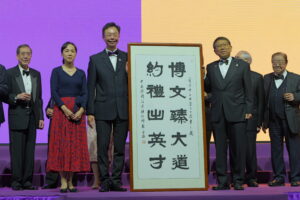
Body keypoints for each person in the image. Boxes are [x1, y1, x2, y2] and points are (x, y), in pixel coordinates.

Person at [204, 37, 253, 190]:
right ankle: (222, 181)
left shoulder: (243, 66)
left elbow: (249, 90)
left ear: (231, 47)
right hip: (218, 113)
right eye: (218, 46)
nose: (222, 48)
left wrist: (248, 110)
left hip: (238, 112)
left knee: (238, 148)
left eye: (225, 45)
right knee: (220, 149)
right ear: (215, 51)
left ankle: (238, 180)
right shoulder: (211, 67)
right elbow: (208, 88)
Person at [87, 22, 128, 192]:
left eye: (115, 34)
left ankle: (116, 180)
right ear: (103, 37)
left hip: (123, 109)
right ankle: (104, 180)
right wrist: (90, 112)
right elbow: (90, 87)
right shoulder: (95, 59)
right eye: (109, 34)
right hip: (102, 110)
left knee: (119, 148)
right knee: (102, 148)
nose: (112, 37)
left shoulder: (128, 57)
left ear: (119, 36)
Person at [46, 42, 90, 193]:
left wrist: (82, 110)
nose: (69, 53)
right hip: (61, 112)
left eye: (72, 51)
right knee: (61, 145)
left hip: (77, 113)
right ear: (62, 54)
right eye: (66, 51)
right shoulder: (56, 71)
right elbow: (54, 92)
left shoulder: (81, 73)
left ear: (76, 54)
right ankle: (63, 180)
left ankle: (71, 180)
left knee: (73, 146)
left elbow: (85, 93)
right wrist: (64, 108)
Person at [6, 44, 44, 190]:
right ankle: (16, 181)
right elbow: (3, 94)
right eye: (22, 54)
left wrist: (40, 117)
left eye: (28, 53)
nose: (25, 56)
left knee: (30, 151)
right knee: (16, 151)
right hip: (17, 115)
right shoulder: (10, 73)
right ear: (17, 56)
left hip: (32, 117)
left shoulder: (36, 74)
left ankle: (27, 181)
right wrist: (16, 96)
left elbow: (38, 98)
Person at [262, 52, 300, 187]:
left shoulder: (296, 78)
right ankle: (279, 177)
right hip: (273, 121)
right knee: (276, 150)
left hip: (291, 121)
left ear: (286, 63)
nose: (277, 64)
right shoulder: (266, 78)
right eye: (274, 61)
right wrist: (263, 121)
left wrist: (295, 96)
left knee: (294, 150)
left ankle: (296, 177)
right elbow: (262, 100)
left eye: (280, 61)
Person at [235, 51, 264, 187]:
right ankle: (238, 178)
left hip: (251, 120)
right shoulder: (231, 77)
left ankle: (252, 177)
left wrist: (259, 122)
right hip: (233, 118)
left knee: (250, 150)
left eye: (240, 60)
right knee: (236, 149)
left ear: (248, 62)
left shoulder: (257, 77)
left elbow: (260, 101)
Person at [42, 98, 59, 189]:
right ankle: (51, 181)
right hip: (54, 126)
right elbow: (51, 105)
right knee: (52, 153)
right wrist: (48, 110)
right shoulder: (55, 90)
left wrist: (57, 112)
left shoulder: (73, 88)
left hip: (67, 124)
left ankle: (69, 180)